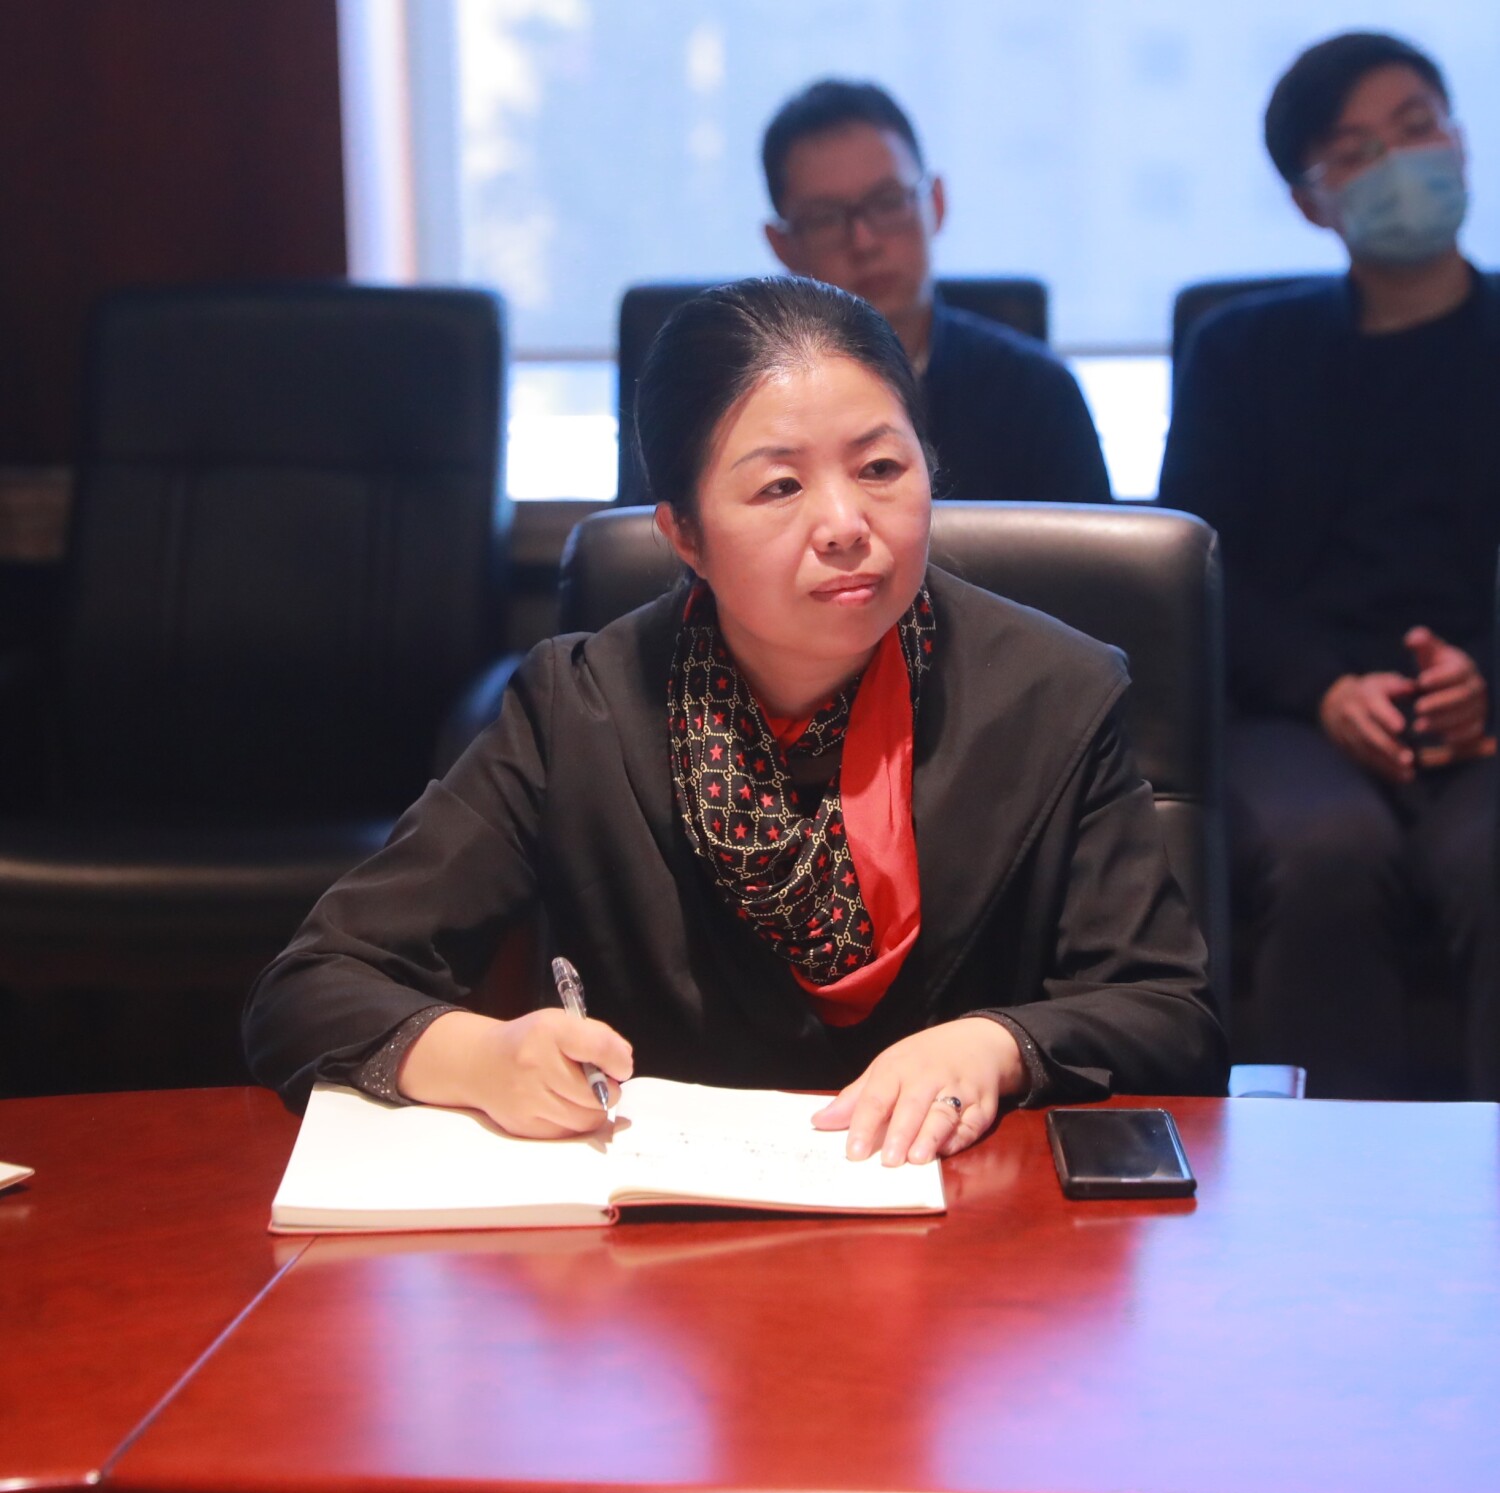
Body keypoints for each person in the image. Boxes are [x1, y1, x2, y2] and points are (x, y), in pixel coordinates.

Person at [246, 277, 1225, 1163]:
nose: (845, 524)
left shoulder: (1054, 692)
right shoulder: (579, 709)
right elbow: (312, 985)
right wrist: (479, 1056)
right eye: (780, 486)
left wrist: (998, 1045)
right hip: (666, 1248)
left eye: (881, 467)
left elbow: (1170, 1015)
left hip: (967, 1237)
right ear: (683, 534)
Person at [1158, 31, 1500, 1099]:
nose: (1399, 164)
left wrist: (1485, 681)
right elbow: (1197, 565)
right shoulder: (1242, 351)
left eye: (1416, 127)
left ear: (1460, 138)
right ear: (1312, 201)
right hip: (1295, 715)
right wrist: (1325, 688)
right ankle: (1326, 1177)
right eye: (1356, 152)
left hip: (1483, 715)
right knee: (1327, 852)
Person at [760, 79, 1111, 505]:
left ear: (937, 204)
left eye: (888, 202)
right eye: (825, 218)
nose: (864, 241)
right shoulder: (754, 411)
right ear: (782, 245)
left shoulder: (1038, 395)